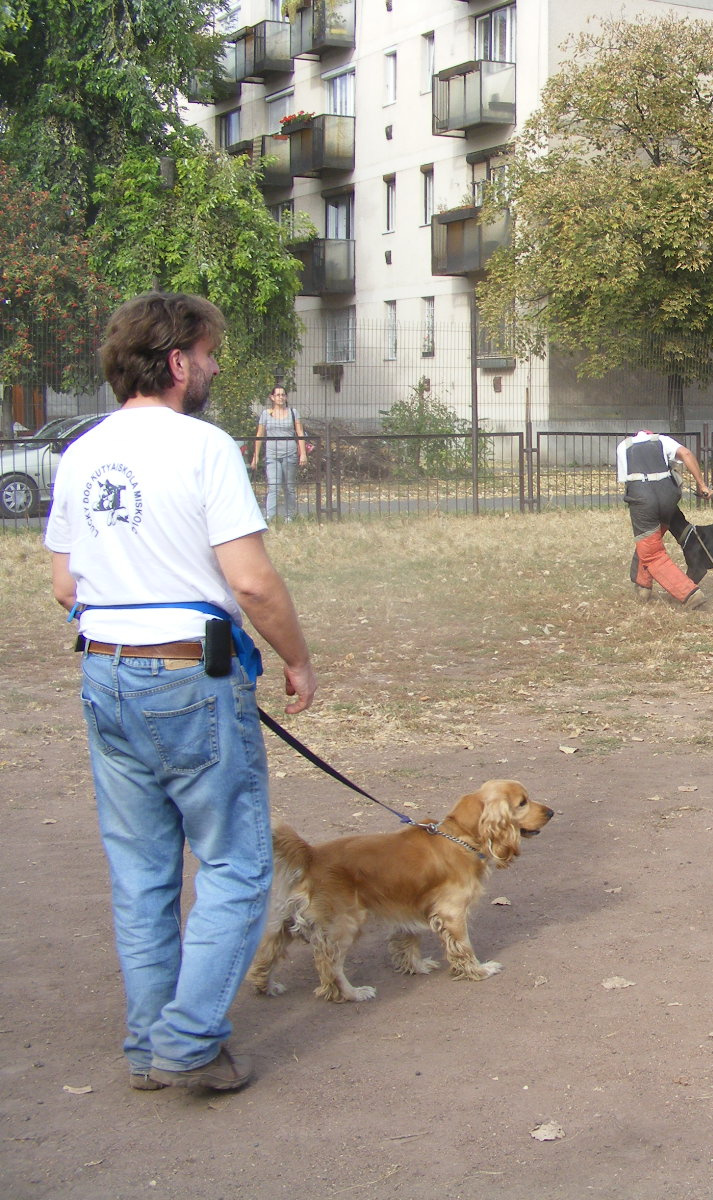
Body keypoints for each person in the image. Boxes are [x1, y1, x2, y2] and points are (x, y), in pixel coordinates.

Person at [44, 293, 317, 1093]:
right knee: (236, 863)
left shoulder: (83, 452)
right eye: (209, 353)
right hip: (190, 674)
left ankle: (146, 1042)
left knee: (142, 873)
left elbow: (65, 584)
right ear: (176, 361)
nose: (216, 365)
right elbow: (252, 582)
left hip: (104, 668)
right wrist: (297, 661)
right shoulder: (203, 448)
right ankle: (191, 1039)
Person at [616, 429, 713, 608]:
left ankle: (690, 593)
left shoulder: (624, 446)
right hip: (669, 494)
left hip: (643, 497)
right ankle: (642, 586)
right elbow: (686, 453)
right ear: (650, 434)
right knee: (650, 540)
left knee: (651, 552)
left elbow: (627, 481)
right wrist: (701, 485)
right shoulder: (661, 439)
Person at [250, 384, 307, 520]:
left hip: (290, 453)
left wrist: (303, 453)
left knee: (289, 487)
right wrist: (255, 456)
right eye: (278, 395)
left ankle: (290, 516)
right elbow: (260, 434)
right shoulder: (265, 414)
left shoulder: (293, 413)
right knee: (273, 486)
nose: (280, 397)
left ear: (286, 397)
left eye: (283, 395)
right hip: (272, 455)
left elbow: (300, 433)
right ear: (272, 397)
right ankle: (269, 517)